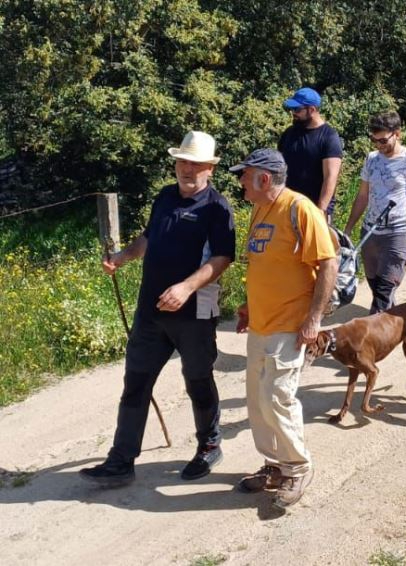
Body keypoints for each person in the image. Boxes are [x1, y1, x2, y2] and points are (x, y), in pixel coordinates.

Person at [79, 131, 236, 487]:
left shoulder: (217, 207)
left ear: (210, 168)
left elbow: (224, 257)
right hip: (151, 312)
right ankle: (121, 461)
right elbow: (149, 237)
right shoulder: (165, 196)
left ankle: (209, 445)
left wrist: (186, 287)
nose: (187, 169)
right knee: (135, 381)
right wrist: (123, 257)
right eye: (182, 161)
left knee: (197, 379)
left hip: (194, 313)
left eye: (196, 163)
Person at [231, 149, 337, 509]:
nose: (240, 181)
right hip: (261, 323)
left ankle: (298, 467)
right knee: (258, 403)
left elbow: (327, 264)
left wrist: (313, 320)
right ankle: (274, 465)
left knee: (277, 396)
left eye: (244, 175)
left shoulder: (299, 208)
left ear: (263, 178)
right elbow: (264, 263)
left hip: (290, 325)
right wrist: (249, 305)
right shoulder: (259, 209)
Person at [345, 111, 406, 314]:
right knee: (375, 284)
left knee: (385, 290)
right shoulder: (371, 159)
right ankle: (392, 323)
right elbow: (362, 196)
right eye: (374, 140)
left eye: (383, 140)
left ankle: (373, 339)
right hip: (370, 232)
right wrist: (348, 229)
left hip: (398, 232)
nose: (379, 145)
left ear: (397, 134)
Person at [278, 87, 344, 221]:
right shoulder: (289, 134)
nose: (293, 113)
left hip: (315, 209)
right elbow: (278, 168)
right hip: (287, 207)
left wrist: (321, 210)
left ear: (312, 110)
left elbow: (330, 177)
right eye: (292, 109)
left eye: (297, 110)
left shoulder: (329, 137)